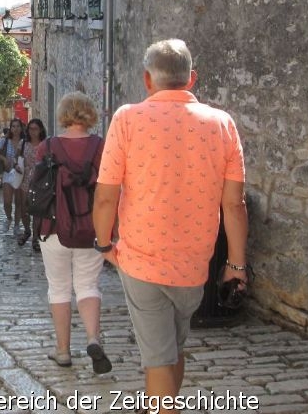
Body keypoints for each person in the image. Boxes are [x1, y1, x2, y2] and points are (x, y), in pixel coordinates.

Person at [93, 39, 249, 411]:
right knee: (172, 350)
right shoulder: (223, 124)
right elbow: (234, 204)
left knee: (159, 358)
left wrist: (103, 244)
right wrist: (236, 265)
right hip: (195, 263)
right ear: (191, 79)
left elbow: (105, 195)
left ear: (147, 79)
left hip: (142, 259)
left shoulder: (127, 119)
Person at [37, 93, 111, 372]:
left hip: (55, 226)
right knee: (88, 285)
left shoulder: (48, 147)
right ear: (90, 114)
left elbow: (39, 186)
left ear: (64, 114)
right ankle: (93, 338)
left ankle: (63, 351)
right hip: (91, 227)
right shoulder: (100, 147)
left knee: (58, 288)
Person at [18, 118, 46, 251]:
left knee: (36, 210)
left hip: (39, 180)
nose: (32, 132)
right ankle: (27, 230)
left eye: (35, 129)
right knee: (24, 208)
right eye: (30, 129)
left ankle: (35, 237)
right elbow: (17, 159)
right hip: (25, 179)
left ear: (40, 130)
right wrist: (16, 165)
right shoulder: (23, 143)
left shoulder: (45, 144)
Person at [0, 119, 24, 235]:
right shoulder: (4, 140)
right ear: (10, 128)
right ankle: (8, 218)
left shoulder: (24, 141)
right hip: (8, 172)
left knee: (18, 201)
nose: (15, 129)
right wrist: (4, 159)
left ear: (21, 128)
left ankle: (16, 225)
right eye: (13, 126)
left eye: (18, 126)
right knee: (7, 201)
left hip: (20, 173)